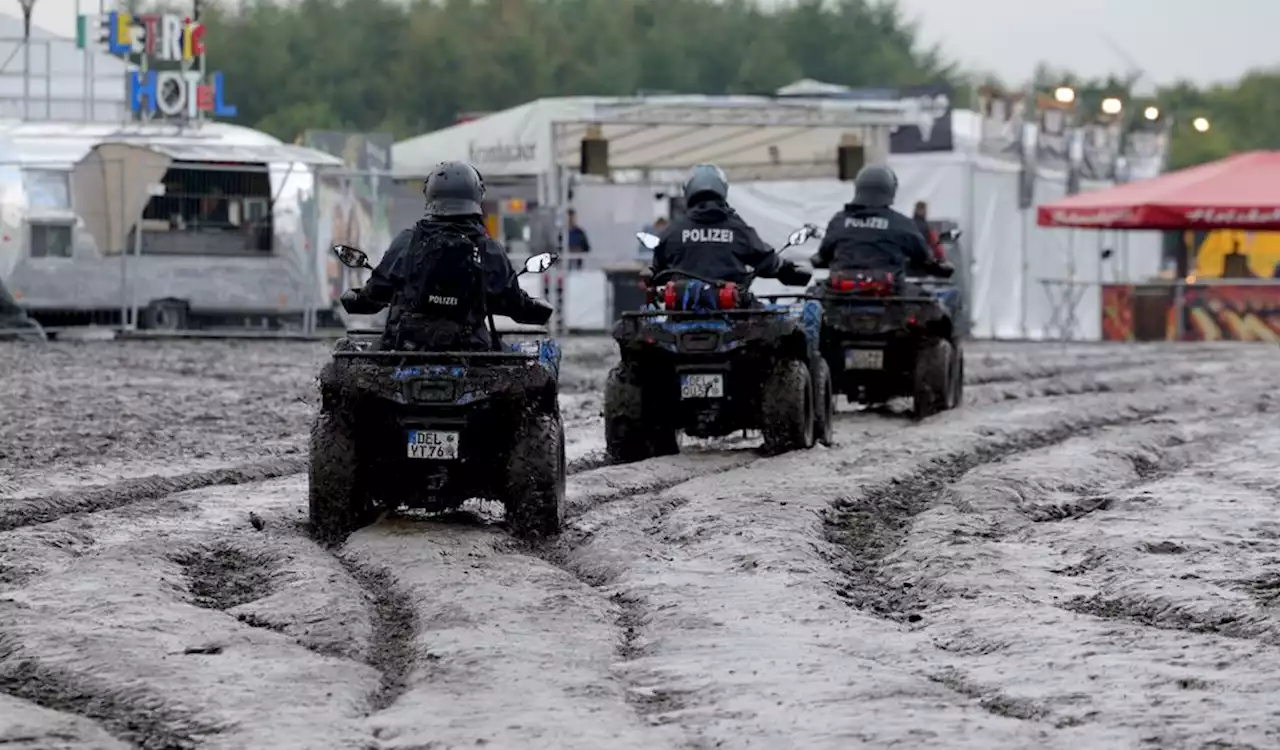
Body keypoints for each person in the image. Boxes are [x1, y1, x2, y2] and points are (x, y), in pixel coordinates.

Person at [340, 161, 552, 351]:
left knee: (350, 353)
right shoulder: (489, 249)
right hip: (471, 350)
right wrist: (535, 308)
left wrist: (358, 298)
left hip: (407, 346)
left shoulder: (407, 242)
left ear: (430, 194)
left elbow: (376, 292)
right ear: (477, 196)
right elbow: (514, 303)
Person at [650, 164, 811, 287]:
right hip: (732, 317)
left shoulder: (674, 230)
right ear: (722, 189)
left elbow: (657, 268)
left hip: (681, 315)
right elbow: (767, 260)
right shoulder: (736, 228)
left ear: (688, 190)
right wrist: (786, 269)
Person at [811, 164, 953, 282]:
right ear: (890, 190)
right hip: (890, 299)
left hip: (840, 296)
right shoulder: (901, 224)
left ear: (859, 187)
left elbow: (822, 255)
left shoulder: (839, 221)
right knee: (934, 309)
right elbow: (923, 256)